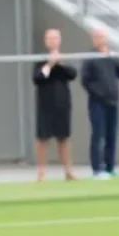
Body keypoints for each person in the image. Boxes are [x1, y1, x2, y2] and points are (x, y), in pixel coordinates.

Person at [80, 28, 119, 179]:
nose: (101, 39)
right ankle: (97, 169)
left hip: (113, 101)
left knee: (111, 135)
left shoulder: (110, 56)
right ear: (93, 39)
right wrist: (99, 93)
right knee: (98, 134)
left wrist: (113, 57)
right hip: (97, 102)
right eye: (98, 37)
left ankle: (110, 166)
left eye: (103, 37)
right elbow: (85, 80)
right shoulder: (90, 57)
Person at [32, 28, 76, 181]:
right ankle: (41, 172)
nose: (53, 41)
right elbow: (37, 78)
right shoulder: (40, 60)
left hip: (62, 104)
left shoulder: (64, 60)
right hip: (45, 104)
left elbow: (72, 74)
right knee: (42, 139)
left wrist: (60, 64)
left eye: (55, 38)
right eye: (50, 38)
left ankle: (68, 171)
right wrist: (49, 65)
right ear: (45, 41)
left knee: (64, 138)